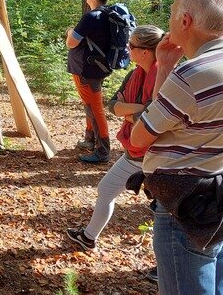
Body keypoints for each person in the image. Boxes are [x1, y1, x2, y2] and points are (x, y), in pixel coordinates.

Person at [130, 0, 223, 294]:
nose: (170, 19)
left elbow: (139, 137)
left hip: (189, 207)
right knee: (218, 285)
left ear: (186, 21)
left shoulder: (192, 75)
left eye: (173, 12)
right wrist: (164, 66)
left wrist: (169, 72)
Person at [67, 25, 163, 278]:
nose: (127, 49)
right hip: (134, 152)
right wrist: (139, 110)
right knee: (106, 190)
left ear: (145, 52)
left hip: (161, 156)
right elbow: (113, 106)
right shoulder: (134, 74)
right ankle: (88, 237)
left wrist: (135, 111)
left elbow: (156, 115)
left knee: (165, 213)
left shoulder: (166, 77)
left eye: (131, 46)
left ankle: (167, 266)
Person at [65, 0, 114, 163]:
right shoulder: (107, 15)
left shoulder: (91, 17)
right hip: (96, 68)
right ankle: (90, 139)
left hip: (87, 70)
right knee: (90, 105)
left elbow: (71, 43)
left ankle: (102, 151)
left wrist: (70, 31)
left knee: (95, 108)